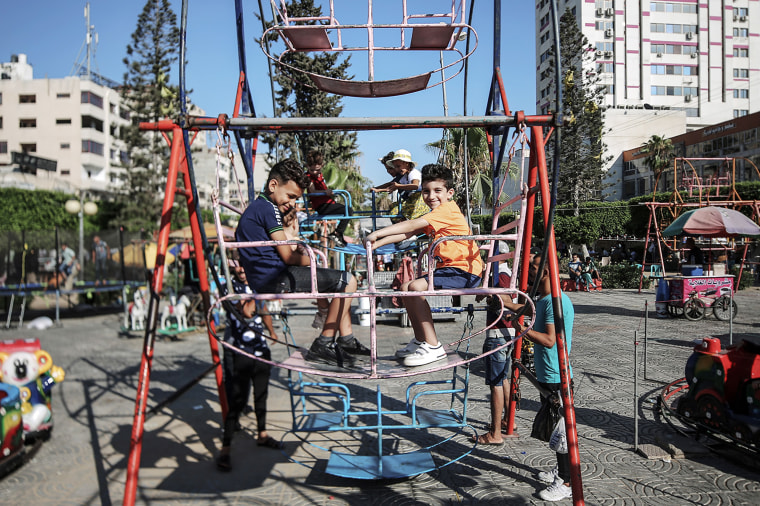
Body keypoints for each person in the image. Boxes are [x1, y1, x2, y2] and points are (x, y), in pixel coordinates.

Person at [235, 158, 368, 368]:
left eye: (296, 199)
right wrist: (310, 258)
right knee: (347, 281)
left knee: (337, 285)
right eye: (290, 196)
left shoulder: (260, 207)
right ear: (273, 185)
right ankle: (324, 343)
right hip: (274, 277)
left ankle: (346, 340)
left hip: (269, 275)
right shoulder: (269, 210)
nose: (292, 204)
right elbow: (287, 256)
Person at [366, 164, 483, 366]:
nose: (431, 196)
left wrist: (377, 232)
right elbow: (409, 234)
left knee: (415, 287)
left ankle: (433, 346)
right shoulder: (437, 214)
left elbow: (411, 225)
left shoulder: (447, 210)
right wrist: (377, 244)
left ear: (449, 193)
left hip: (465, 270)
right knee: (405, 288)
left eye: (438, 191)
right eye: (426, 191)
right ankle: (421, 340)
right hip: (451, 269)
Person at [501, 254, 575, 502]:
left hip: (557, 376)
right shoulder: (542, 300)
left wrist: (521, 330)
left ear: (545, 272)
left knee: (561, 434)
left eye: (532, 267)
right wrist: (498, 299)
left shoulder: (554, 303)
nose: (528, 271)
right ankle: (562, 470)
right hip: (548, 375)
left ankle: (565, 482)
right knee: (555, 430)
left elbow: (550, 340)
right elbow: (520, 309)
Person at [216, 251, 281, 471]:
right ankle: (225, 449)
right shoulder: (228, 289)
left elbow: (262, 309)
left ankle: (262, 434)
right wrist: (258, 295)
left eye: (245, 265)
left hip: (260, 350)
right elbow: (245, 312)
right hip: (241, 352)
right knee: (236, 401)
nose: (242, 270)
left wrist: (271, 331)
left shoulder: (257, 283)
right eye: (238, 266)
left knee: (261, 396)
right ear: (233, 266)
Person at [474, 243, 515, 445]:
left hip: (498, 333)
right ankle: (508, 420)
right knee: (504, 379)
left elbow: (505, 299)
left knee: (496, 384)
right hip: (507, 332)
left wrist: (494, 295)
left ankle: (495, 433)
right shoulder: (499, 275)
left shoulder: (501, 276)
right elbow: (480, 296)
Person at [305, 150, 352, 248]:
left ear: (321, 165)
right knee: (349, 210)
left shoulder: (320, 175)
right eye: (312, 170)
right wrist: (325, 192)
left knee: (347, 211)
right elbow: (312, 191)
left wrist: (329, 192)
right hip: (322, 206)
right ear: (308, 167)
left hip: (328, 203)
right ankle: (337, 233)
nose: (315, 172)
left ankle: (339, 236)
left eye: (317, 170)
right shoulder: (308, 177)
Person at [370, 149, 429, 221]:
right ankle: (403, 227)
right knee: (394, 211)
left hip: (419, 199)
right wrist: (378, 189)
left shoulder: (413, 173)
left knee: (414, 215)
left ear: (407, 163)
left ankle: (411, 229)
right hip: (411, 199)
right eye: (396, 167)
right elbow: (392, 185)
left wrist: (398, 186)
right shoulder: (404, 177)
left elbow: (415, 186)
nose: (397, 169)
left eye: (398, 166)